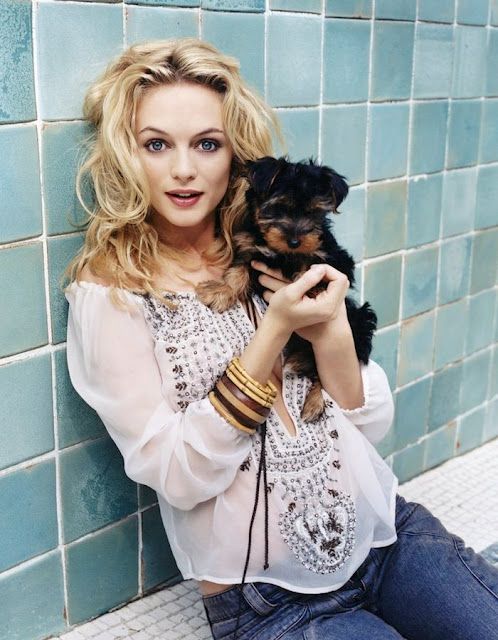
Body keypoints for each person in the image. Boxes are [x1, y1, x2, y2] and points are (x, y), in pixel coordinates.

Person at [64, 38, 498, 640]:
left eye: (206, 144)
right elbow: (178, 474)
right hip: (267, 600)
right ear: (124, 155)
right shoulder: (111, 293)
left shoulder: (274, 246)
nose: (183, 169)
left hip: (389, 536)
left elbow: (367, 422)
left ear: (234, 156)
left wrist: (330, 327)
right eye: (156, 144)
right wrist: (273, 331)